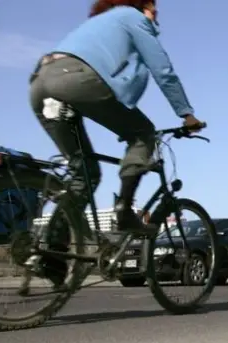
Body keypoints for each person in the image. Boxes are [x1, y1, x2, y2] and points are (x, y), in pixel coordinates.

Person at [29, 0, 203, 231]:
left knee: (85, 174)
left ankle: (53, 249)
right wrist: (187, 114)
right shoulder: (132, 17)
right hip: (73, 80)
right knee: (143, 132)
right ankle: (124, 211)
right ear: (141, 6)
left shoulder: (98, 24)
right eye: (153, 9)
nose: (156, 14)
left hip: (39, 83)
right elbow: (162, 69)